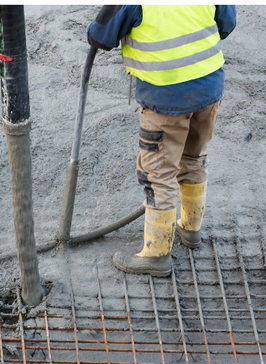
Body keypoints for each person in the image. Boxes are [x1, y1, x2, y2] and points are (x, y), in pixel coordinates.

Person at [87, 5, 236, 276]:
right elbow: (227, 23)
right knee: (194, 156)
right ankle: (190, 229)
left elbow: (100, 36)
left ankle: (156, 255)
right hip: (210, 86)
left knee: (158, 174)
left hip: (166, 97)